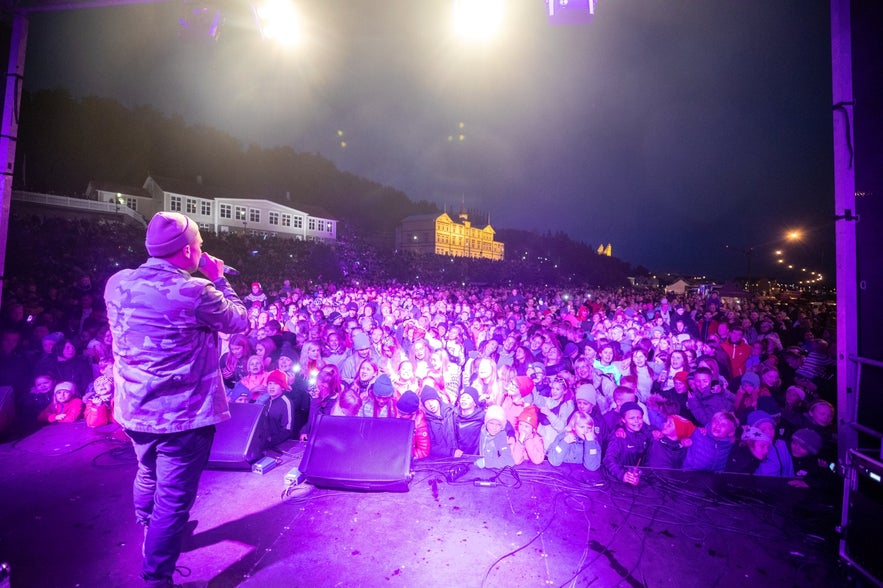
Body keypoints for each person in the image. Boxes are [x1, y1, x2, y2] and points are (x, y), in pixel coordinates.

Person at [104, 211, 248, 588]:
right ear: (187, 251)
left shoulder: (116, 284)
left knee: (147, 473)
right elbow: (238, 321)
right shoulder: (196, 292)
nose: (202, 251)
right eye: (200, 246)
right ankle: (156, 578)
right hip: (181, 418)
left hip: (134, 410)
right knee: (173, 500)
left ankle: (149, 533)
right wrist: (218, 278)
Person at [603, 401, 651, 485]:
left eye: (639, 418)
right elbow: (608, 460)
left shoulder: (644, 433)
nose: (636, 421)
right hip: (618, 481)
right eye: (631, 418)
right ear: (623, 420)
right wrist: (622, 475)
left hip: (637, 479)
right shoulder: (618, 437)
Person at [475, 405, 515, 469]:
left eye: (498, 424)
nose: (494, 428)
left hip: (494, 470)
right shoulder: (481, 429)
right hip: (478, 467)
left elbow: (509, 460)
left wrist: (486, 462)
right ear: (486, 422)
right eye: (491, 423)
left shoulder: (501, 436)